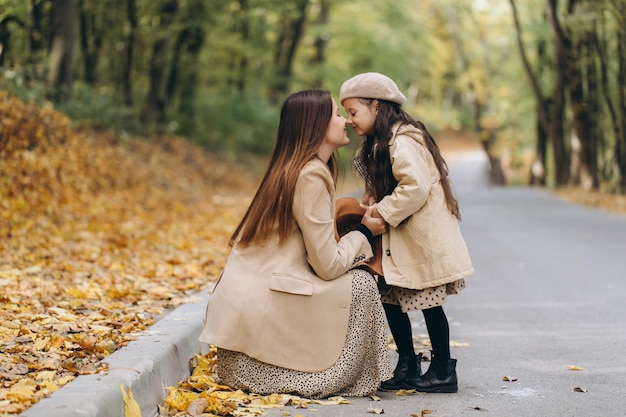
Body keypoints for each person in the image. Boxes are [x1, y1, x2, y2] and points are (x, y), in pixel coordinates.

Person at [199, 89, 393, 399]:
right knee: (361, 284)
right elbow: (327, 266)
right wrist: (365, 233)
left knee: (355, 279)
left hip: (245, 313)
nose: (344, 121)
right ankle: (333, 374)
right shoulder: (310, 175)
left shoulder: (292, 168)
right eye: (335, 114)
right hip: (265, 304)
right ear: (316, 125)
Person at [339, 72, 474, 393]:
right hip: (395, 240)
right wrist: (373, 197)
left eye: (354, 112)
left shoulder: (403, 140)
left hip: (416, 239)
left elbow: (414, 187)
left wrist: (383, 212)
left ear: (377, 106)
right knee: (391, 299)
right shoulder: (380, 143)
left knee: (427, 300)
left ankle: (442, 369)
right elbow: (391, 182)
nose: (349, 120)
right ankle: (408, 363)